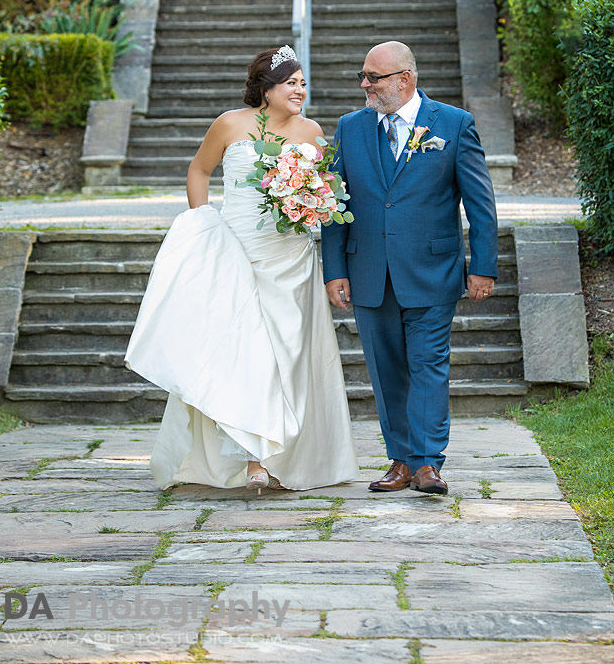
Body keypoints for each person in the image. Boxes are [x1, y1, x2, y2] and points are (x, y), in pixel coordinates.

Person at [124, 46, 359, 493]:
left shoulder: (312, 132)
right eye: (291, 83)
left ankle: (280, 453)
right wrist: (204, 226)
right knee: (242, 352)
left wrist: (313, 205)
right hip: (236, 252)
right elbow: (199, 171)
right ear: (266, 89)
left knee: (287, 353)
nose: (300, 90)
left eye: (303, 83)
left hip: (291, 259)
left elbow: (326, 190)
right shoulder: (230, 124)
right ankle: (255, 458)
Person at [320, 41, 499, 496]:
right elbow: (336, 203)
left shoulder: (454, 125)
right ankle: (399, 459)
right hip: (369, 272)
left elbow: (480, 203)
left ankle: (426, 464)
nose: (365, 85)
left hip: (432, 269)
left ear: (405, 79)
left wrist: (483, 266)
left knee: (428, 365)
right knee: (386, 369)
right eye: (363, 76)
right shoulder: (349, 128)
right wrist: (334, 269)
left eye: (373, 77)